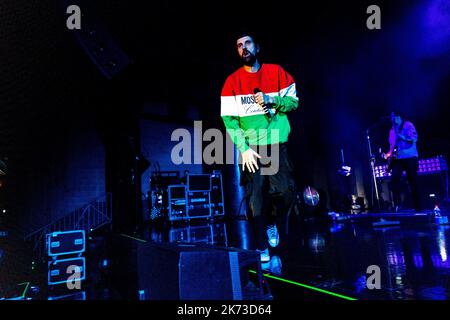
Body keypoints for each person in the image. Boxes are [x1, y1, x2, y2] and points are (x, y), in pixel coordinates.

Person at [220, 31, 299, 262]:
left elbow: (294, 102)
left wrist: (272, 100)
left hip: (275, 142)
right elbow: (228, 120)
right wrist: (243, 148)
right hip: (251, 148)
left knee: (284, 193)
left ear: (257, 47)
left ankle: (272, 222)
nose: (243, 48)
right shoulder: (232, 82)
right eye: (238, 46)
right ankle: (262, 247)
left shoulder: (277, 73)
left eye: (247, 43)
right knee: (256, 200)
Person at [384, 111, 420, 212]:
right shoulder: (391, 131)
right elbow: (392, 147)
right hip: (398, 158)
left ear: (399, 117)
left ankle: (417, 208)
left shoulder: (408, 125)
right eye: (391, 117)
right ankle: (398, 204)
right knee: (393, 181)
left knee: (412, 181)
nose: (392, 119)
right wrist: (388, 155)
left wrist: (402, 137)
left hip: (410, 156)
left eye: (393, 117)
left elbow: (414, 139)